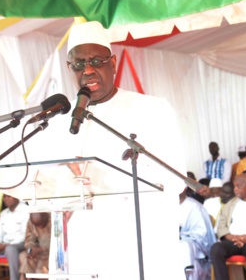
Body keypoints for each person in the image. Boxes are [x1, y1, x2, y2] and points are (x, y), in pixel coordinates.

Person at [25, 21, 189, 279]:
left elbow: (175, 180)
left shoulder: (152, 110)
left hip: (138, 249)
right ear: (70, 68)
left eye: (96, 61)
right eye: (78, 64)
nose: (87, 70)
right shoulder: (59, 122)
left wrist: (103, 178)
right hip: (84, 250)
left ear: (112, 64)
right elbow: (52, 192)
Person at [179, 187, 216, 280]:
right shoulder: (163, 204)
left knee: (184, 246)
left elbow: (203, 235)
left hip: (196, 250)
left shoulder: (195, 206)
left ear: (184, 189)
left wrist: (182, 236)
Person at [19, 212, 51, 278]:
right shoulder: (31, 222)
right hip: (38, 253)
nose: (39, 227)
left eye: (41, 224)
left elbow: (58, 243)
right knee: (23, 256)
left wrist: (42, 249)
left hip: (51, 253)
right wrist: (30, 250)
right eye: (37, 225)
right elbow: (29, 240)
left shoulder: (54, 220)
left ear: (46, 216)